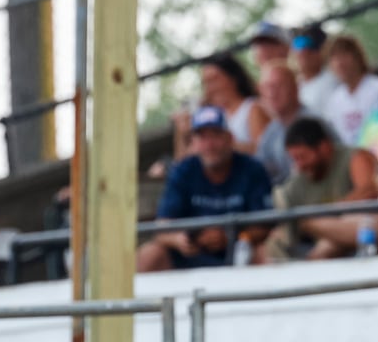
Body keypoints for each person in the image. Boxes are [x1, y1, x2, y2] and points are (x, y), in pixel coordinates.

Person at [136, 106, 273, 272]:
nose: (209, 144)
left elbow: (266, 225)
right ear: (193, 142)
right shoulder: (183, 171)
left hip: (241, 255)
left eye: (216, 135)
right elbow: (162, 227)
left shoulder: (252, 170)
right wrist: (180, 240)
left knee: (266, 251)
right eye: (202, 137)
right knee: (150, 254)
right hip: (190, 257)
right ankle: (139, 299)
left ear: (230, 138)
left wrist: (231, 238)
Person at [268, 117, 378, 261]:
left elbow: (370, 192)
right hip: (316, 243)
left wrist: (325, 214)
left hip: (362, 235)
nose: (300, 165)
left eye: (303, 157)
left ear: (324, 147)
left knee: (323, 244)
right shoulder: (299, 178)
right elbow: (284, 204)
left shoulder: (354, 158)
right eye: (295, 159)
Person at [174, 54, 269, 158]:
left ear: (233, 78)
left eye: (215, 80)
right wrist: (182, 134)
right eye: (206, 83)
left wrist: (219, 144)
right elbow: (184, 164)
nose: (211, 88)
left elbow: (264, 151)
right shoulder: (206, 117)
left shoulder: (253, 108)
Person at [256, 61, 320, 184]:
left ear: (295, 88)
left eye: (278, 86)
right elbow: (260, 173)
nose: (272, 93)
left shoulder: (315, 123)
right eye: (267, 87)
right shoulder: (270, 132)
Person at [324, 34, 378, 147]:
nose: (340, 63)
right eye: (334, 57)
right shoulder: (334, 100)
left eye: (344, 55)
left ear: (358, 57)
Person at [292, 22, 339, 119]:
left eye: (310, 46)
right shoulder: (293, 85)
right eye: (298, 44)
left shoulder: (333, 82)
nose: (303, 51)